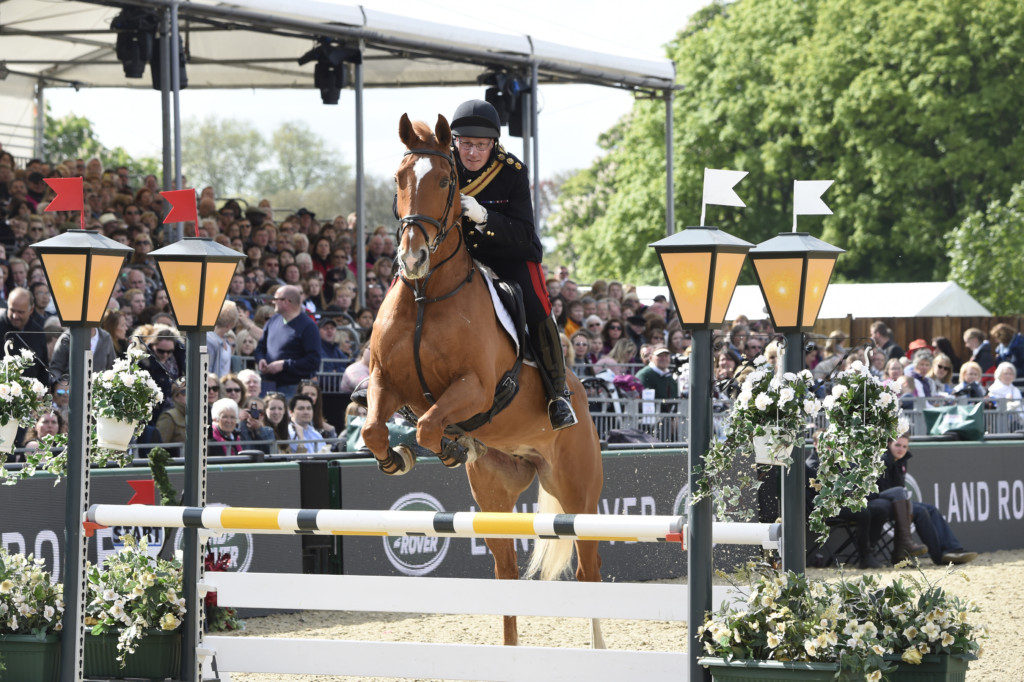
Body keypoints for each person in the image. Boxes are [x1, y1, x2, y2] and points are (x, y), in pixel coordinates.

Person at [451, 99, 576, 430]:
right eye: (466, 144)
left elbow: (523, 233)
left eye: (480, 145)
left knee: (536, 305)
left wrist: (485, 217)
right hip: (458, 253)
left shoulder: (512, 172)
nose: (473, 153)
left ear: (493, 144)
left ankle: (558, 393)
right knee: (407, 277)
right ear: (455, 141)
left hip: (509, 252)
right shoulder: (441, 164)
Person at [881, 435, 977, 565]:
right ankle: (939, 556)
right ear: (888, 444)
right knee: (920, 511)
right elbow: (883, 490)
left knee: (931, 509)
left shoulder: (902, 460)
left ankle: (952, 549)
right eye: (897, 445)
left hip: (900, 500)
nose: (901, 449)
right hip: (885, 502)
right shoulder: (883, 460)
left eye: (904, 446)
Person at [253, 284, 321, 398]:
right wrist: (261, 359)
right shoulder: (272, 321)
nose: (273, 302)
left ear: (287, 301)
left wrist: (284, 365)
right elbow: (260, 347)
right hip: (268, 384)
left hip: (293, 387)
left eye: (276, 299)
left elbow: (313, 361)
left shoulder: (308, 326)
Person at [0, 287, 49, 381]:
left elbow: (43, 368)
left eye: (20, 312)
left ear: (31, 310)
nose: (15, 316)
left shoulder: (37, 332)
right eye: (12, 310)